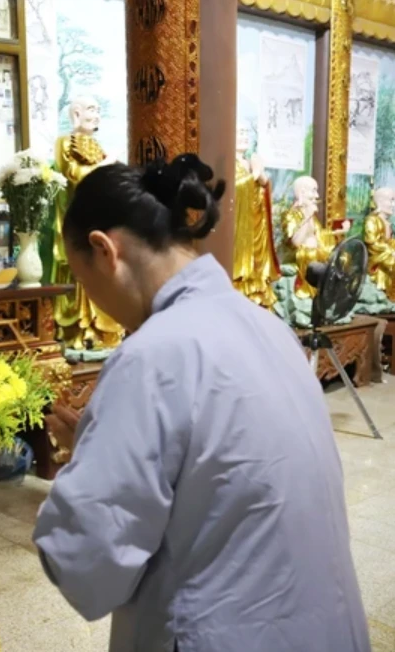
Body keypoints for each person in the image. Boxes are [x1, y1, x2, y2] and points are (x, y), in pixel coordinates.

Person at [32, 154, 369, 652]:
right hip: (321, 624)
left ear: (105, 251)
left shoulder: (150, 356)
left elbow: (89, 562)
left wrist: (89, 463)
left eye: (85, 283)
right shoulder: (268, 327)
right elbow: (220, 467)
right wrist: (106, 441)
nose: (95, 302)